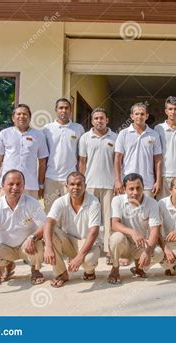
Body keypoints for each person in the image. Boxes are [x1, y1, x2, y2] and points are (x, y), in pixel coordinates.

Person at [0, 169, 45, 288]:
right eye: (11, 184)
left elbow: (45, 225)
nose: (15, 187)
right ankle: (8, 266)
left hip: (26, 246)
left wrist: (32, 237)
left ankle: (35, 270)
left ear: (23, 186)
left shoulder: (32, 203)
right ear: (2, 185)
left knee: (38, 244)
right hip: (6, 247)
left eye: (18, 184)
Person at [43, 172, 101, 288]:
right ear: (67, 186)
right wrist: (48, 247)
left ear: (85, 186)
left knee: (89, 261)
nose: (75, 188)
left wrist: (79, 257)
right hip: (68, 241)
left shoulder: (94, 202)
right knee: (52, 231)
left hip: (87, 243)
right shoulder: (60, 201)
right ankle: (61, 273)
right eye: (72, 184)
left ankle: (89, 271)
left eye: (79, 184)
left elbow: (94, 232)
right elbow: (48, 222)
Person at [107, 173, 164, 284]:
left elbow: (154, 230)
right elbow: (114, 224)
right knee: (116, 237)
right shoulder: (117, 200)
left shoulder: (152, 203)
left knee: (158, 253)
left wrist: (147, 252)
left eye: (138, 188)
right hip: (123, 244)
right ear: (124, 189)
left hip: (140, 244)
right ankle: (115, 268)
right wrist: (132, 232)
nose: (135, 192)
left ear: (143, 186)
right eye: (131, 189)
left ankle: (139, 267)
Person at [78, 107, 117, 265]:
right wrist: (82, 183)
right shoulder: (85, 138)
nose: (99, 121)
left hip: (109, 184)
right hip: (90, 184)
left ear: (107, 120)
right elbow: (82, 162)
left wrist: (117, 182)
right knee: (89, 219)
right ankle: (90, 248)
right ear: (92, 121)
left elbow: (118, 162)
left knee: (108, 220)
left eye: (102, 118)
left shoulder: (115, 137)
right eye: (96, 118)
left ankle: (109, 250)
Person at [0, 104, 48, 200]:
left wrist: (41, 185)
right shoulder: (4, 134)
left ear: (30, 118)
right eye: (18, 114)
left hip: (30, 186)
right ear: (13, 118)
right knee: (6, 213)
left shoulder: (39, 135)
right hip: (7, 185)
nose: (21, 116)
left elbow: (42, 163)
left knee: (28, 215)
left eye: (25, 114)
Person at [42, 98, 85, 212]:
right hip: (51, 177)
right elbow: (43, 157)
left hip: (71, 179)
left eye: (66, 108)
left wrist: (80, 177)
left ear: (71, 110)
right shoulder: (47, 129)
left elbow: (81, 156)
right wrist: (41, 182)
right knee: (50, 211)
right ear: (56, 110)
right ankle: (51, 231)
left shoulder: (78, 128)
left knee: (69, 211)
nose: (64, 110)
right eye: (61, 108)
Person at [114, 103, 162, 198]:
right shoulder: (123, 134)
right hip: (128, 182)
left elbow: (158, 160)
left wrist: (158, 181)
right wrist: (118, 180)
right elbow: (117, 159)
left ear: (147, 116)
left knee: (146, 211)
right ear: (131, 116)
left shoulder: (154, 134)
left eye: (142, 114)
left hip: (147, 183)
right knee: (127, 212)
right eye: (136, 114)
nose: (139, 116)